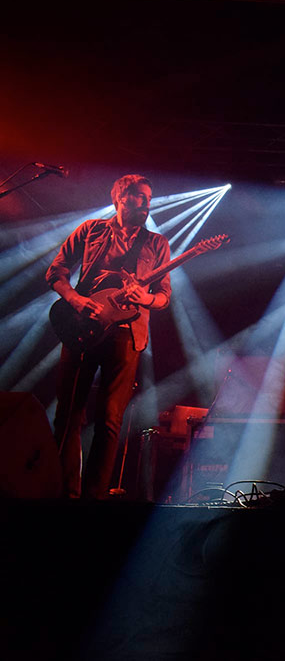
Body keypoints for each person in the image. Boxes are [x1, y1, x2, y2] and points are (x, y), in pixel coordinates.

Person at [47, 174, 172, 498]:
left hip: (126, 333)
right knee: (68, 414)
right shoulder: (91, 230)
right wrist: (75, 299)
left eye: (148, 197)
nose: (146, 203)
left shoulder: (156, 243)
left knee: (109, 419)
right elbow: (56, 272)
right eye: (139, 197)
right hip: (82, 325)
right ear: (119, 198)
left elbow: (163, 296)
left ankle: (93, 499)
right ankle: (64, 494)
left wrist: (144, 299)